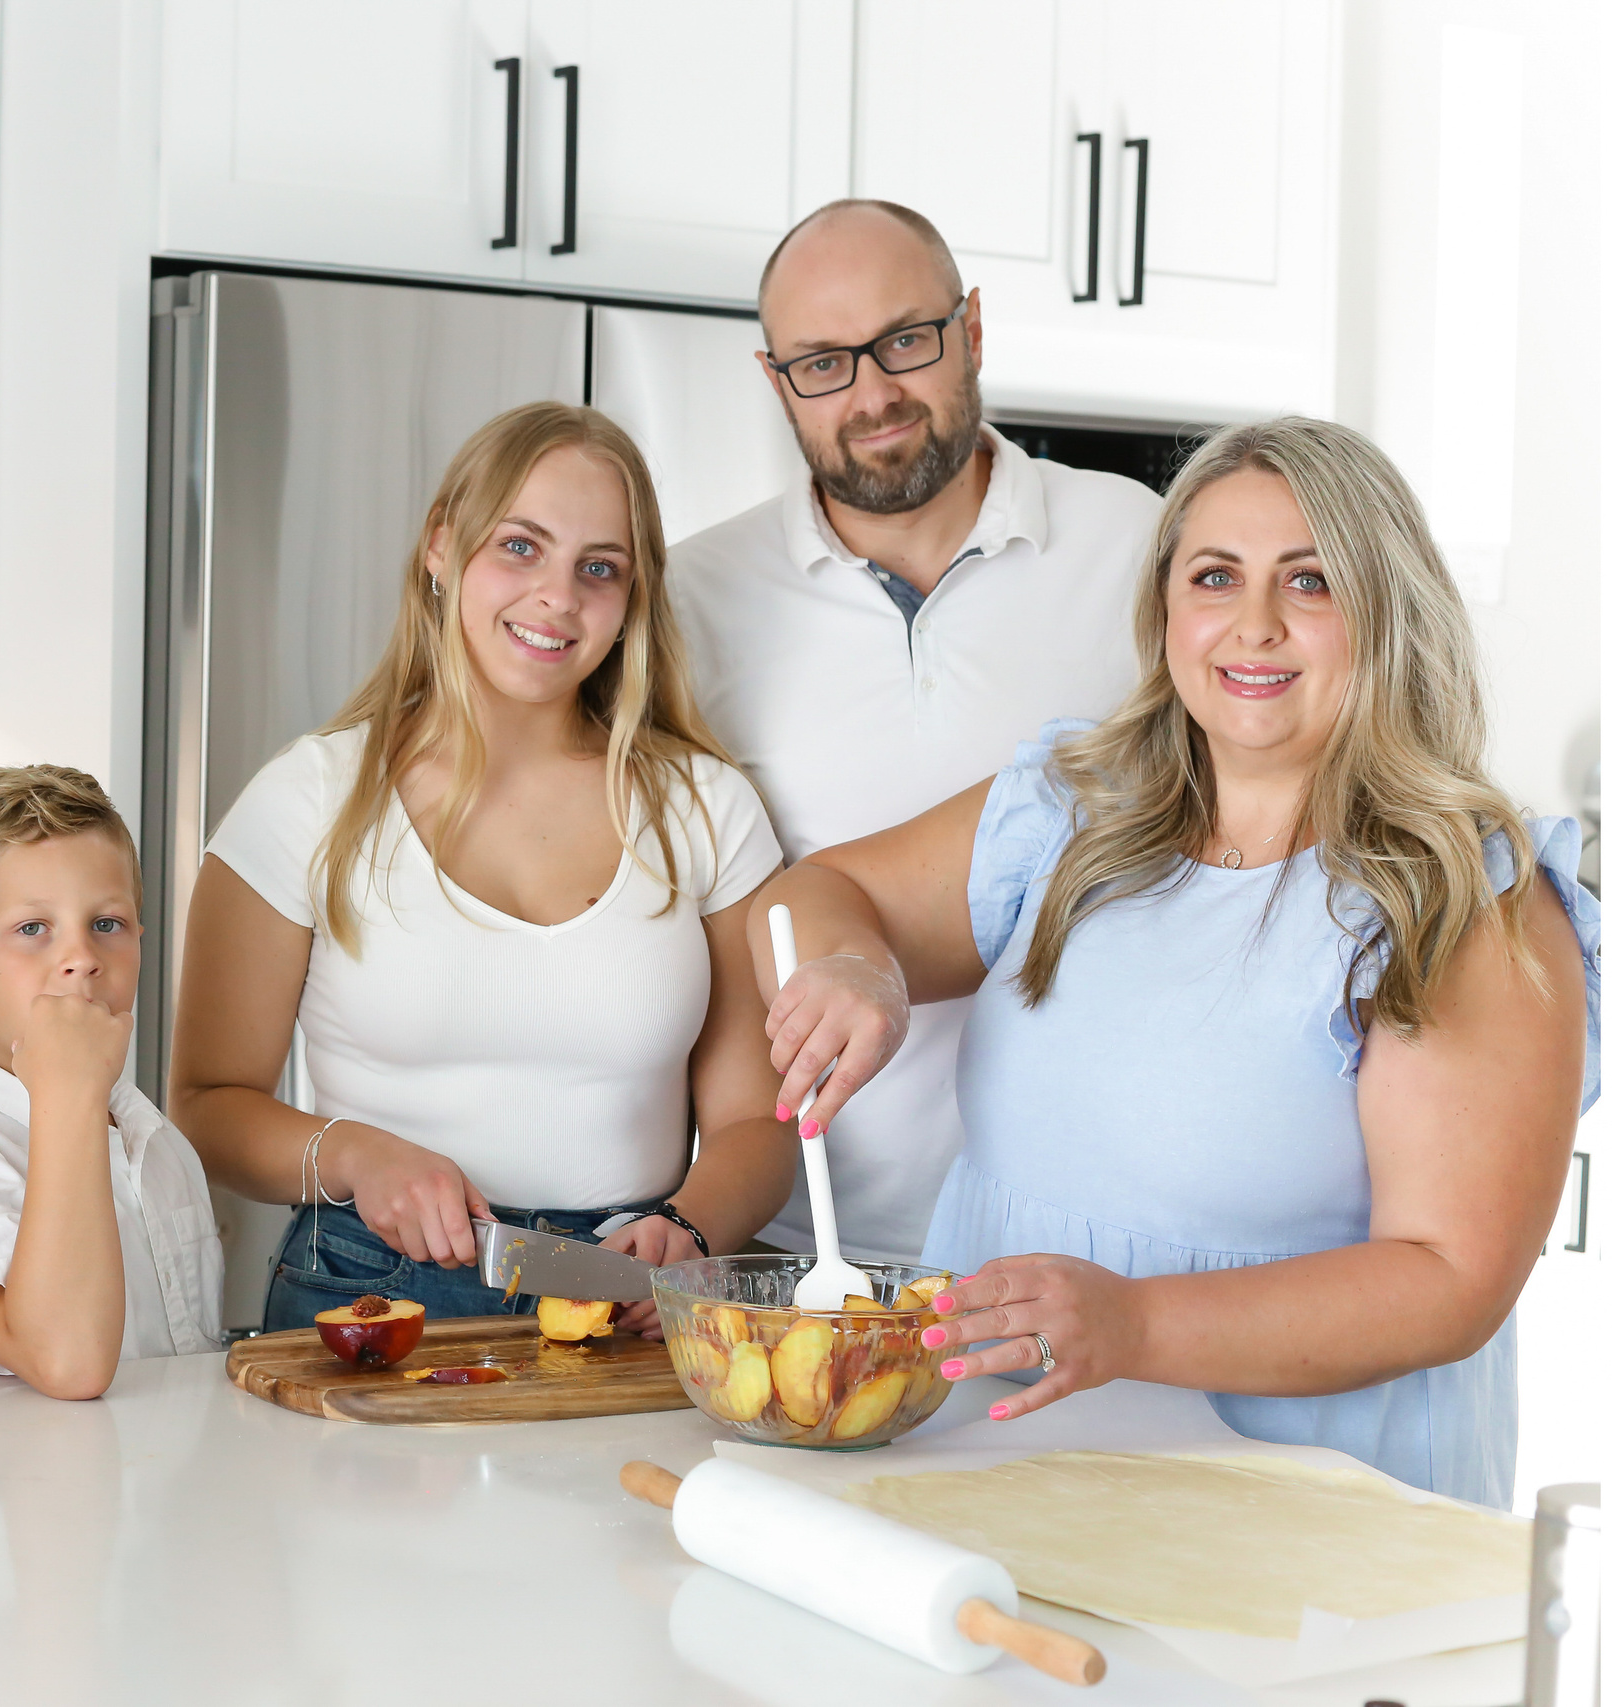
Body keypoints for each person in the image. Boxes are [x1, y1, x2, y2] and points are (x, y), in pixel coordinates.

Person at [754, 417, 1598, 1506]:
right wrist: (860, 968)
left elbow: (1448, 1283)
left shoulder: (1459, 896)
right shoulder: (1072, 807)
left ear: (1387, 615)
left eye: (1310, 583)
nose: (1253, 626)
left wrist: (1133, 1323)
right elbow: (821, 894)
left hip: (1305, 1512)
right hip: (993, 1460)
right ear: (1165, 612)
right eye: (1214, 577)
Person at [170, 402, 794, 1332]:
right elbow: (205, 1105)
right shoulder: (310, 800)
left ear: (633, 599)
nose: (557, 597)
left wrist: (690, 1228)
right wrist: (358, 1157)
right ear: (440, 546)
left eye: (599, 568)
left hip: (633, 1293)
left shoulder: (706, 809)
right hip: (370, 1289)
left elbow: (757, 1123)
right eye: (519, 546)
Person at [668, 198, 1164, 1263]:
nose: (872, 394)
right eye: (821, 364)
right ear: (774, 382)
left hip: (1088, 1248)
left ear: (971, 330)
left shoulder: (1139, 547)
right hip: (800, 1247)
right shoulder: (692, 602)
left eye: (904, 340)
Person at [0, 765, 224, 1396]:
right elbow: (67, 1364)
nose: (83, 958)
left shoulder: (155, 1137)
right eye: (33, 929)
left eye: (107, 924)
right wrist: (68, 1090)